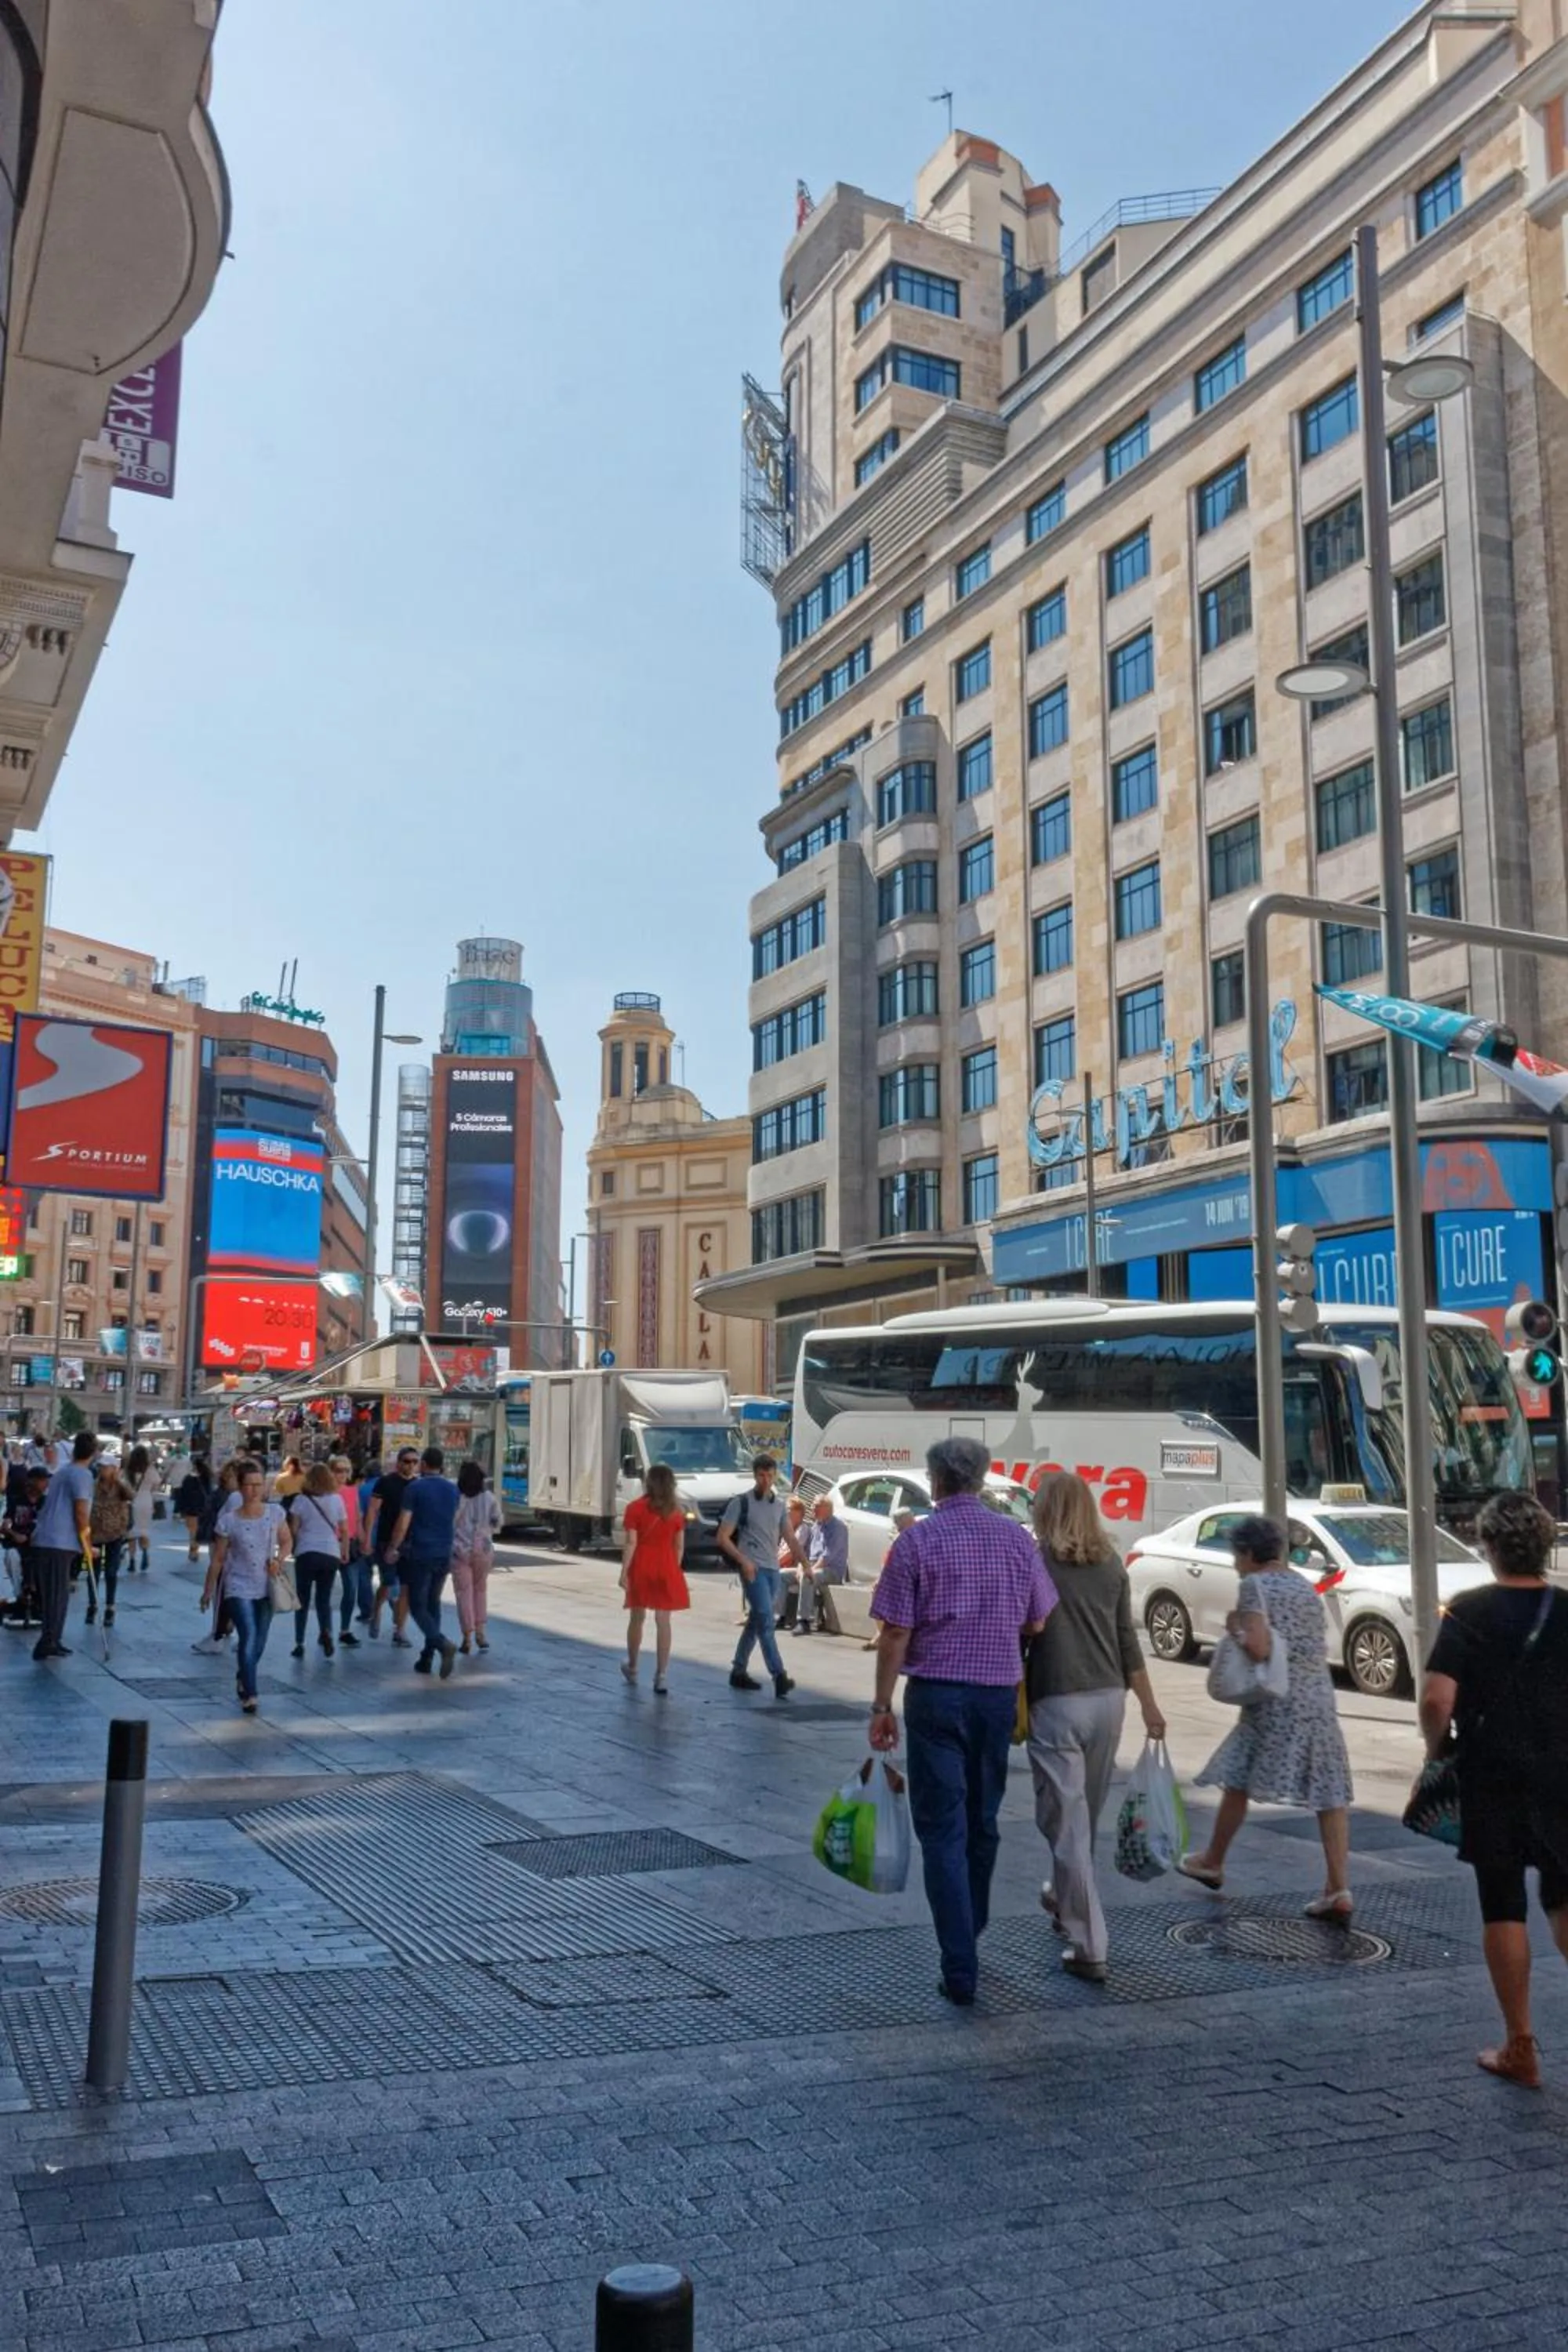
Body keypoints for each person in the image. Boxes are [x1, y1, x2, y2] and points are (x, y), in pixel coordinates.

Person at [869, 1436, 1055, 2005]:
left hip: (937, 1698)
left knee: (942, 1830)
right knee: (983, 1819)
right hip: (996, 1698)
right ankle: (968, 1929)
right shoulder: (1016, 1540)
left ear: (935, 1481)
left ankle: (960, 1962)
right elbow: (1038, 1622)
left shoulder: (916, 1542)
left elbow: (895, 1633)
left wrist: (881, 1706)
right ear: (980, 1478)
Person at [1420, 1490, 1568, 2088]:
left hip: (1493, 1772)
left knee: (1502, 1900)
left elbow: (1436, 1700)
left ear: (1487, 1547)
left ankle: (1520, 2046)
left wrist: (1438, 1751)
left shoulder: (1469, 1610)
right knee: (1564, 1897)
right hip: (1564, 1773)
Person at [1025, 1471, 1167, 1983]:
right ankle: (1065, 1894)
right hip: (1111, 1701)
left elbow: (1028, 1628)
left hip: (1057, 1699)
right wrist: (1151, 1707)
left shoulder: (1036, 1562)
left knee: (1063, 1823)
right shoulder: (1111, 1564)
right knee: (1081, 1820)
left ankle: (1090, 1944)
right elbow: (1128, 1642)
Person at [1180, 1514, 1354, 1917]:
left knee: (1239, 1775)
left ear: (1247, 1553)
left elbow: (1258, 1648)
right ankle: (1339, 1888)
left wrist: (1235, 1629)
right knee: (1329, 1793)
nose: (1234, 1563)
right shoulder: (1303, 1585)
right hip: (1318, 1700)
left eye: (1235, 1555)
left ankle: (1213, 1860)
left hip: (1277, 1703)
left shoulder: (1253, 1586)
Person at [201, 1460, 291, 1714]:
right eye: (248, 1485)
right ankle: (250, 1693)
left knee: (260, 1640)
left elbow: (287, 1541)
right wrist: (208, 1590)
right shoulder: (229, 1521)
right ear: (239, 1488)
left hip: (267, 1585)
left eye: (258, 1485)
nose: (254, 1490)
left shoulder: (275, 1514)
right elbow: (218, 1559)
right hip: (238, 1585)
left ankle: (243, 1673)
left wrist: (279, 1559)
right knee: (249, 1635)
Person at [720, 1455, 804, 1700]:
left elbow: (790, 1537)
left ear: (775, 1475)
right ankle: (779, 1676)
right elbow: (723, 1537)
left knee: (757, 1621)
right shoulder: (741, 1503)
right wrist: (743, 1560)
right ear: (754, 1475)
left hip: (772, 1569)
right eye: (761, 1475)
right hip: (753, 1569)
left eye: (770, 1476)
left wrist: (806, 1564)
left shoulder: (779, 1505)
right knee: (767, 1621)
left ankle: (738, 1670)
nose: (766, 1481)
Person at [387, 1446, 460, 1678]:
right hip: (444, 1552)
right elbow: (454, 1520)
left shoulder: (415, 1488)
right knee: (433, 1603)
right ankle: (427, 1657)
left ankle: (440, 1643)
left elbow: (403, 1522)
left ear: (424, 1464)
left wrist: (393, 1547)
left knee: (418, 1605)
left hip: (421, 1552)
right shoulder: (452, 1490)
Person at [29, 1429, 99, 1662]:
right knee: (56, 1594)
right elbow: (81, 1513)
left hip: (49, 1539)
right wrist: (87, 1544)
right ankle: (48, 1641)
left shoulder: (63, 1472)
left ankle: (52, 1639)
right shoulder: (82, 1475)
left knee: (57, 1593)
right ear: (94, 1452)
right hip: (59, 1541)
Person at [619, 1461, 688, 1694]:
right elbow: (679, 1547)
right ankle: (661, 1675)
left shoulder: (634, 1509)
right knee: (663, 1621)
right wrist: (673, 1569)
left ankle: (633, 1666)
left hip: (641, 1565)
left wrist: (624, 1572)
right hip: (666, 1566)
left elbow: (631, 1542)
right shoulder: (676, 1512)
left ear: (648, 1483)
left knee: (637, 1618)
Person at [288, 1462, 349, 1659]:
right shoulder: (337, 1500)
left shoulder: (300, 1500)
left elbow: (294, 1529)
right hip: (330, 1553)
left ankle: (299, 1642)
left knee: (302, 1600)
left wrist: (295, 1547)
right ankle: (327, 1632)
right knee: (324, 1598)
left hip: (307, 1553)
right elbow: (345, 1530)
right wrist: (344, 1551)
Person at [365, 1446, 419, 1644]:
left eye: (415, 1461)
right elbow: (372, 1511)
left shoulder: (418, 1485)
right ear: (399, 1462)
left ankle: (400, 1629)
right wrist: (367, 1538)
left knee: (406, 1587)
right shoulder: (385, 1482)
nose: (411, 1465)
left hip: (410, 1542)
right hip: (386, 1540)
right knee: (388, 1583)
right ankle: (377, 1609)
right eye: (407, 1461)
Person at [191, 1460, 244, 1654]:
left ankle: (218, 1635)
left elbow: (228, 1526)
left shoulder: (234, 1499)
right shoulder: (239, 1498)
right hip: (236, 1556)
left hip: (228, 1555)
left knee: (223, 1593)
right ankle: (232, 1633)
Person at [450, 1461, 502, 1653]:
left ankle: (467, 1638)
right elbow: (497, 1521)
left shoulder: (458, 1498)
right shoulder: (489, 1498)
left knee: (463, 1593)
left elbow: (452, 1522)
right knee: (480, 1590)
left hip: (460, 1550)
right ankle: (481, 1633)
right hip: (484, 1550)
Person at [86, 1457, 135, 1630]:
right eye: (101, 1467)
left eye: (106, 1467)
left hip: (115, 1533)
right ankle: (92, 1605)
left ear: (114, 1469)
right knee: (93, 1572)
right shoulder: (93, 1485)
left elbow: (131, 1496)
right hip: (96, 1534)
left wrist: (120, 1481)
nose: (102, 1470)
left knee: (111, 1572)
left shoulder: (121, 1486)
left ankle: (110, 1607)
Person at [797, 1493, 851, 1635]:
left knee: (808, 1577)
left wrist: (809, 1570)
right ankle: (779, 1616)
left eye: (816, 1507)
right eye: (813, 1506)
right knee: (782, 1575)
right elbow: (806, 1553)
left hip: (830, 1570)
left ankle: (804, 1621)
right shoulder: (815, 1527)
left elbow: (828, 1557)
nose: (812, 1510)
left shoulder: (838, 1528)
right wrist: (801, 1567)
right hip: (814, 1566)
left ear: (827, 1508)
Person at [2, 1465, 49, 1628]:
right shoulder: (17, 1501)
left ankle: (36, 1600)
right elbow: (6, 1524)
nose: (45, 1484)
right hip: (18, 1543)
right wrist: (13, 1533)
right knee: (12, 1557)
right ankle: (21, 1597)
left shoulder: (46, 1503)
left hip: (39, 1545)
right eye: (42, 1481)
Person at [331, 1455, 369, 1643]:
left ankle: (344, 1629)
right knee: (325, 1590)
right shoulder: (325, 1493)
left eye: (347, 1470)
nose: (343, 1474)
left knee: (351, 1588)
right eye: (339, 1470)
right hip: (330, 1544)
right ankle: (326, 1630)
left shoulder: (352, 1491)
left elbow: (358, 1517)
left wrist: (363, 1540)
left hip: (350, 1543)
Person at [125, 1443, 158, 1573]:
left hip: (132, 1501)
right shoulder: (150, 1469)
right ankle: (145, 1553)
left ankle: (132, 1561)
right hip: (146, 1501)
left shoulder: (129, 1470)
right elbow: (157, 1485)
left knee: (131, 1533)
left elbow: (124, 1485)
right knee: (144, 1530)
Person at [176, 1454, 212, 1562]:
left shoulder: (188, 1479)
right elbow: (210, 1492)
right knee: (198, 1530)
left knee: (192, 1532)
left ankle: (193, 1551)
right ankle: (195, 1550)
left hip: (190, 1508)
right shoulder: (207, 1477)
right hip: (203, 1508)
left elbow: (182, 1494)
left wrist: (181, 1509)